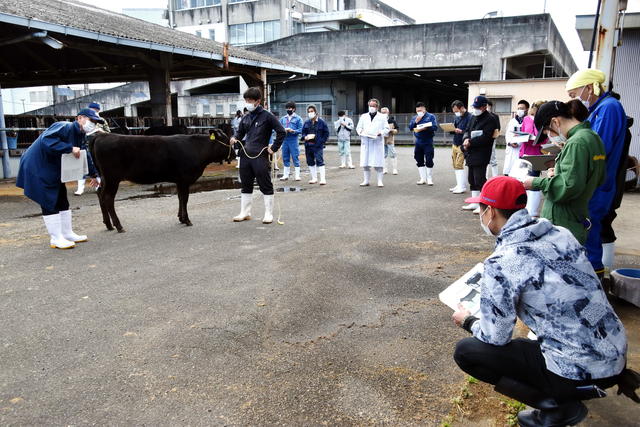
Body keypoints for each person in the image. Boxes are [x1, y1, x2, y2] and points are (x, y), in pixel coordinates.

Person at [452, 176, 635, 427]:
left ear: (490, 212)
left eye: (481, 210)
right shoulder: (561, 233)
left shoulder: (502, 261)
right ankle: (572, 389)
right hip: (614, 352)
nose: (481, 216)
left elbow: (495, 336)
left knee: (468, 352)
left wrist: (468, 321)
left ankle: (558, 407)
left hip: (579, 369)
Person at [566, 69, 628, 279]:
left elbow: (598, 146)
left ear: (590, 88)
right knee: (589, 232)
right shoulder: (600, 108)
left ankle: (595, 282)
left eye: (576, 94)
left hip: (598, 183)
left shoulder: (609, 108)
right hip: (596, 181)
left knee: (590, 230)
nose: (577, 99)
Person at [16, 108, 102, 249]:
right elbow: (46, 140)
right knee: (49, 200)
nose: (93, 124)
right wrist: (69, 148)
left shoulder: (80, 134)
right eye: (91, 120)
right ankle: (56, 238)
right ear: (80, 118)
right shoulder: (64, 126)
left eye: (95, 122)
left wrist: (94, 174)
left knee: (62, 198)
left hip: (51, 168)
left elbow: (83, 154)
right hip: (37, 167)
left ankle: (67, 233)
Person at [523, 100, 606, 244]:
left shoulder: (576, 143)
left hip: (563, 223)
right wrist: (557, 174)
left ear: (555, 121)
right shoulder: (593, 137)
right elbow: (594, 177)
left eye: (548, 132)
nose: (549, 137)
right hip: (577, 216)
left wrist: (535, 182)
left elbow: (568, 187)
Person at [230, 87, 285, 224]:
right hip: (245, 155)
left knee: (265, 184)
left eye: (250, 100)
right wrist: (235, 138)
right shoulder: (246, 117)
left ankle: (268, 213)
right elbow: (240, 132)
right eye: (246, 100)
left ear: (258, 101)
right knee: (246, 184)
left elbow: (281, 132)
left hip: (260, 155)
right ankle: (245, 212)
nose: (247, 103)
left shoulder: (268, 116)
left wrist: (274, 147)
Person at [461, 96, 497, 214]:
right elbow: (467, 130)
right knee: (471, 178)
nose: (475, 109)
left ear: (484, 107)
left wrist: (470, 142)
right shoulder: (472, 117)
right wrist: (466, 139)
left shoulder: (490, 119)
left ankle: (484, 204)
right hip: (471, 152)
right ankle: (474, 202)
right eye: (474, 107)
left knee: (480, 179)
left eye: (478, 107)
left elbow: (486, 137)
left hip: (482, 153)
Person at [75, 102, 109, 195]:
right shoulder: (80, 124)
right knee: (81, 165)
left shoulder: (101, 120)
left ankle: (98, 185)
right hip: (83, 144)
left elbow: (108, 133)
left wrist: (101, 132)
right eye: (92, 110)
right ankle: (80, 188)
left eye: (96, 110)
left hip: (96, 144)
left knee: (95, 164)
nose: (94, 112)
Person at [520, 100, 546, 217]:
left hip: (537, 153)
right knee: (524, 180)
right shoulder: (526, 119)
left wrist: (536, 138)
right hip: (525, 152)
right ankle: (526, 207)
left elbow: (544, 138)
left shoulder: (543, 121)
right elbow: (521, 133)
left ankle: (533, 210)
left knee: (534, 180)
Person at [356, 99, 390, 187]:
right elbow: (358, 128)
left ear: (377, 107)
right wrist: (361, 132)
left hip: (376, 141)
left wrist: (381, 133)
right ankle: (366, 181)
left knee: (378, 163)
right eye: (370, 106)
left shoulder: (382, 117)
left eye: (373, 106)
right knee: (365, 163)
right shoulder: (363, 116)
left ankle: (380, 181)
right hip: (366, 142)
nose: (371, 108)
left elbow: (386, 129)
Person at [409, 102, 438, 185]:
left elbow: (435, 127)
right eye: (417, 110)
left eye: (420, 110)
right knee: (418, 158)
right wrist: (415, 121)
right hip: (418, 141)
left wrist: (426, 127)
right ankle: (422, 178)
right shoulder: (415, 117)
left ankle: (429, 178)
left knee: (429, 159)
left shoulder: (431, 116)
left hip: (428, 141)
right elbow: (410, 127)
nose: (419, 112)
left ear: (424, 109)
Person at [301, 105, 330, 185]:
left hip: (317, 145)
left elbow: (326, 133)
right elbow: (303, 132)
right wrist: (305, 137)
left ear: (315, 112)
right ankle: (314, 178)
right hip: (308, 145)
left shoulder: (321, 122)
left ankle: (323, 179)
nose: (310, 113)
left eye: (311, 111)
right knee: (310, 161)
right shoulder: (306, 122)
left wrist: (322, 141)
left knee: (319, 161)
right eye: (309, 112)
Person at [450, 100, 471, 193]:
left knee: (459, 165)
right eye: (454, 112)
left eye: (456, 111)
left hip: (463, 144)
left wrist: (461, 131)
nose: (456, 113)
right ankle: (458, 185)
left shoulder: (470, 117)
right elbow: (454, 128)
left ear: (462, 108)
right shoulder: (457, 118)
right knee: (455, 165)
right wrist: (451, 129)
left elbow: (470, 131)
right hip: (455, 143)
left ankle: (462, 187)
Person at [503, 100, 529, 176]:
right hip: (511, 149)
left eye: (522, 108)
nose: (519, 110)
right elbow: (508, 134)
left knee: (521, 174)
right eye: (518, 108)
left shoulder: (528, 121)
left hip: (522, 149)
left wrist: (519, 141)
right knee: (509, 173)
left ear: (527, 109)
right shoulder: (512, 121)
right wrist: (510, 142)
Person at [279, 101, 303, 181]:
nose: (288, 109)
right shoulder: (283, 119)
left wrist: (293, 131)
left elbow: (301, 130)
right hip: (285, 140)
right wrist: (283, 131)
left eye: (290, 108)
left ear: (294, 109)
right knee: (285, 157)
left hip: (293, 140)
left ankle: (297, 175)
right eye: (287, 108)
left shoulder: (298, 118)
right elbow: (278, 128)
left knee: (295, 157)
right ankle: (286, 175)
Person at [486, 100, 501, 178]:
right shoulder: (481, 116)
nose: (486, 107)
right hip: (482, 140)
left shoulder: (495, 116)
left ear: (490, 106)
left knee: (493, 157)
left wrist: (494, 136)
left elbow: (498, 128)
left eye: (487, 106)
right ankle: (484, 177)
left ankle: (495, 177)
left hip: (492, 139)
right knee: (484, 159)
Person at [381, 107, 398, 175]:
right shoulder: (379, 121)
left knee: (393, 154)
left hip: (390, 140)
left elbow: (397, 129)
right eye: (382, 113)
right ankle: (385, 169)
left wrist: (393, 130)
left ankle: (394, 169)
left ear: (388, 113)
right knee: (384, 155)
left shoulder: (392, 121)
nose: (383, 114)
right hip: (382, 140)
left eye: (384, 112)